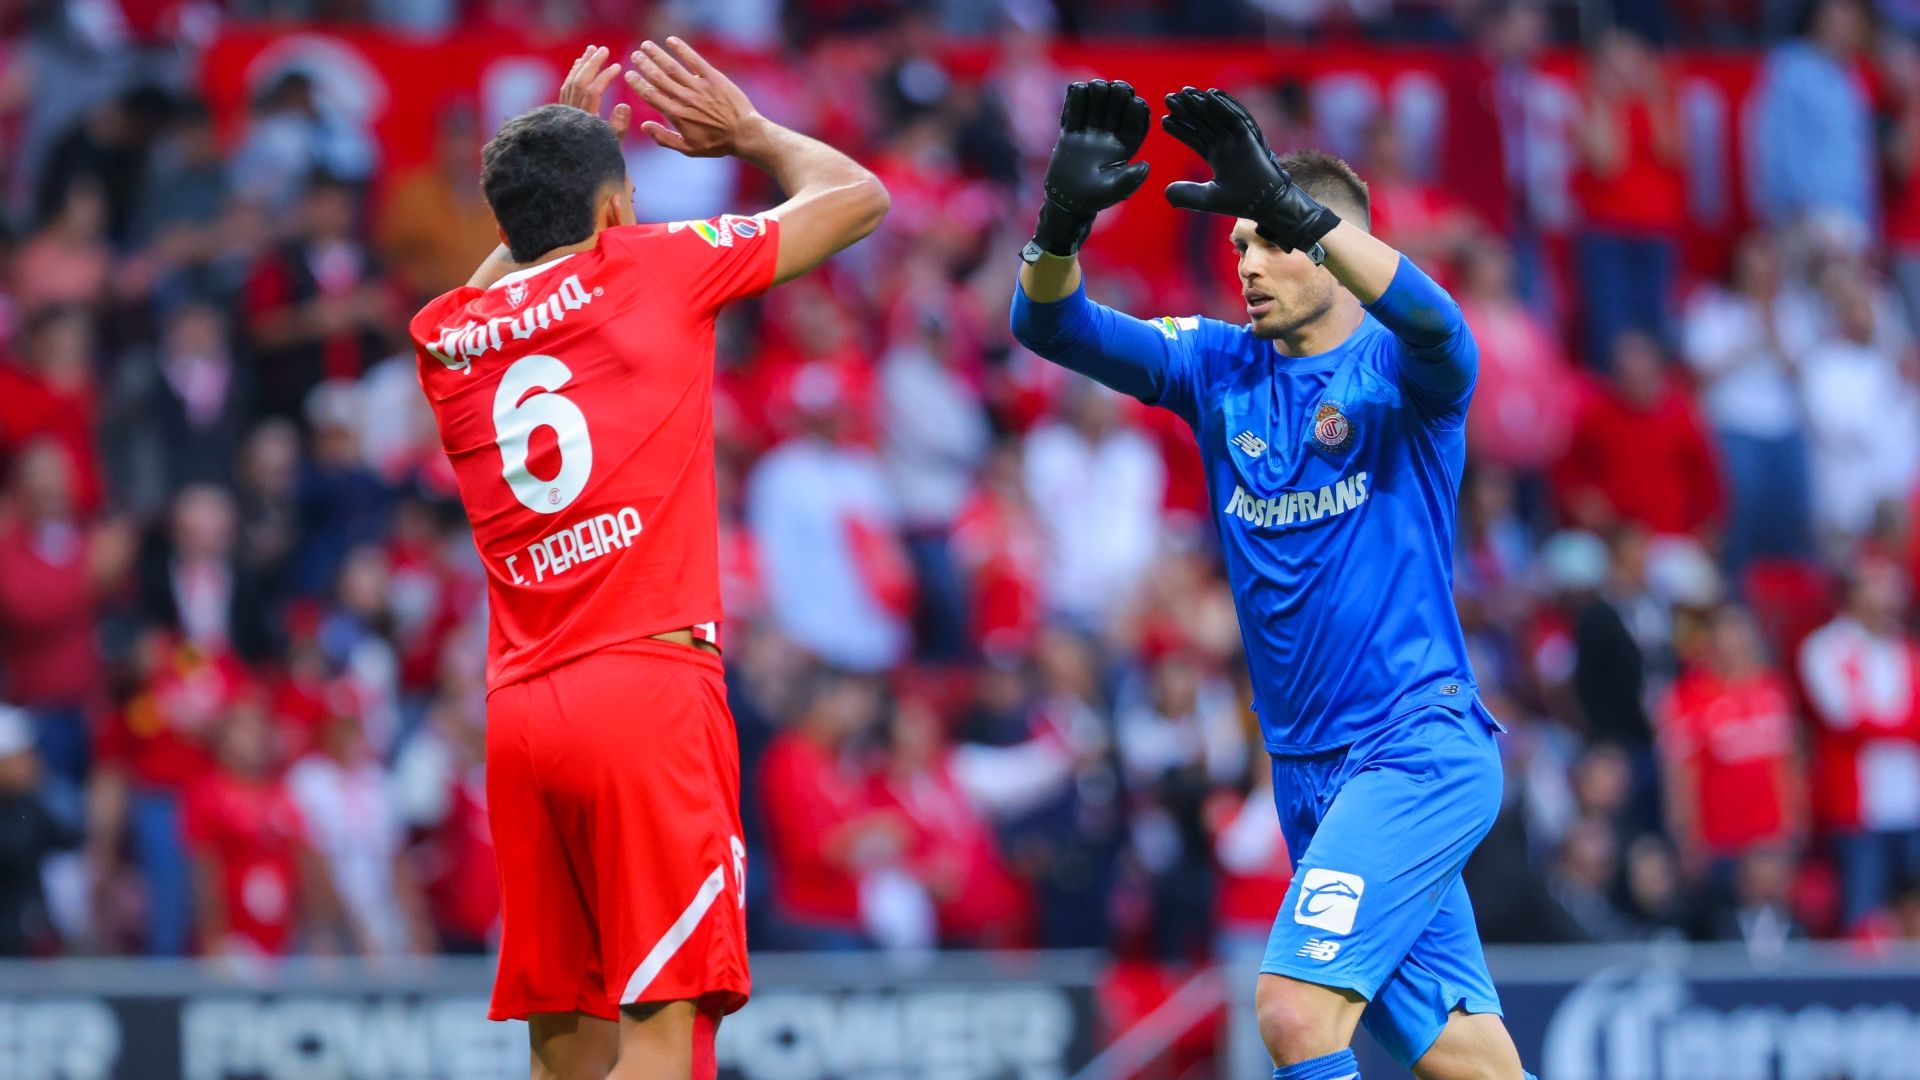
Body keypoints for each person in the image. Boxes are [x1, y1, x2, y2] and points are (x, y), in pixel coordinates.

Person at [1009, 81, 1531, 1079]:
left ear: (1332, 245)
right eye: (1240, 243)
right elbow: (1052, 327)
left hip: (1411, 752)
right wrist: (1060, 224)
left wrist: (1309, 220)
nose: (1245, 262)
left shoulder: (1398, 373)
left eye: (1272, 240)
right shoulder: (1220, 369)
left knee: (1295, 1014)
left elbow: (1443, 331)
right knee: (1469, 1061)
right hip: (1307, 778)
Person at [407, 40, 886, 1080]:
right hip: (647, 692)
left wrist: (550, 180)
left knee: (569, 1051)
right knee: (668, 1039)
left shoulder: (446, 337)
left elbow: (513, 273)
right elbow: (856, 196)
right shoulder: (654, 264)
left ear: (505, 226)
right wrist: (750, 134)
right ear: (619, 213)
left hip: (523, 718)